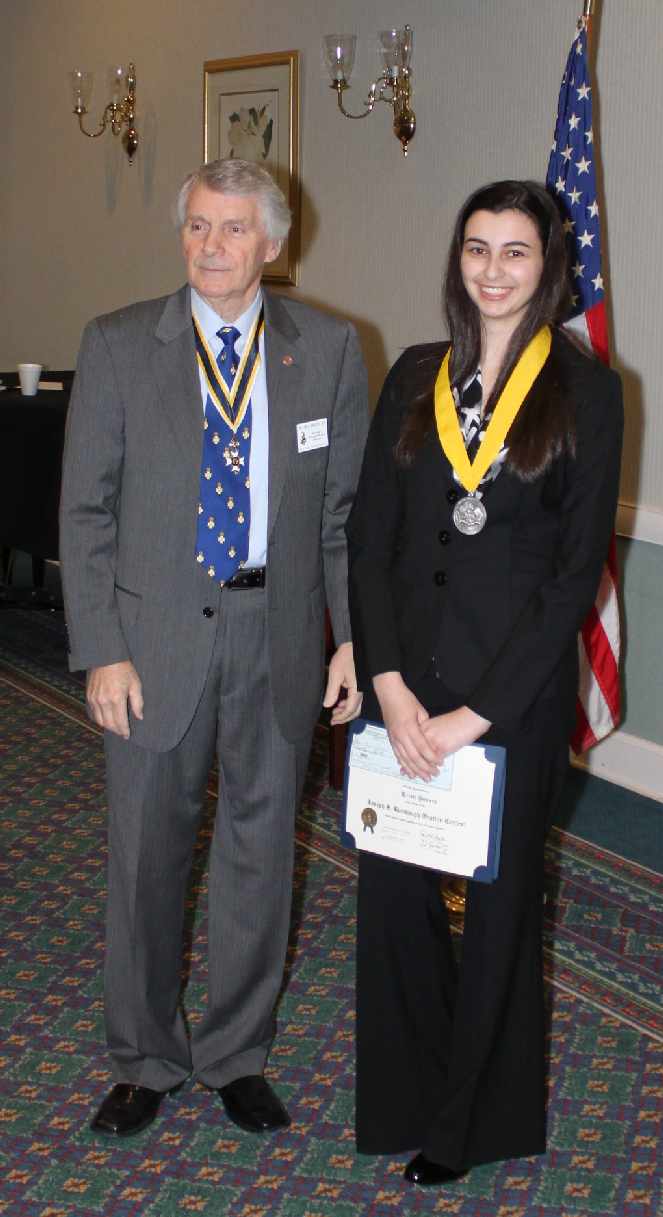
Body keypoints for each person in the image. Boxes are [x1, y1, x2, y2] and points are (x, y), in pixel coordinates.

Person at [59, 158, 368, 1138]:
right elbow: (86, 510)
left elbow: (343, 519)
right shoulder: (117, 345)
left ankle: (236, 1054)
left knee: (258, 857)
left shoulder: (327, 349)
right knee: (147, 857)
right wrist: (100, 647)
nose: (211, 247)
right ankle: (145, 1057)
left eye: (233, 229)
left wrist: (352, 639)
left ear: (274, 244)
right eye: (197, 226)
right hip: (149, 646)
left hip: (276, 632)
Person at [345, 180, 623, 1186]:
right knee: (395, 904)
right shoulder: (416, 373)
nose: (494, 270)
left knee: (500, 912)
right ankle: (406, 1096)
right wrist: (386, 678)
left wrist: (475, 711)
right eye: (476, 248)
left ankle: (473, 1120)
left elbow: (571, 573)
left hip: (509, 700)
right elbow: (369, 538)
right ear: (456, 257)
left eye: (516, 251)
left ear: (548, 265)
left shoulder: (589, 390)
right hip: (403, 691)